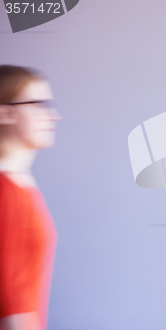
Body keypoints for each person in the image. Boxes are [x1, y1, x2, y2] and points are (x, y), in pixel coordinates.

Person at [0, 65, 61, 330]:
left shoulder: (22, 188)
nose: (54, 116)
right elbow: (13, 308)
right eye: (40, 105)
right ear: (6, 113)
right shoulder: (6, 194)